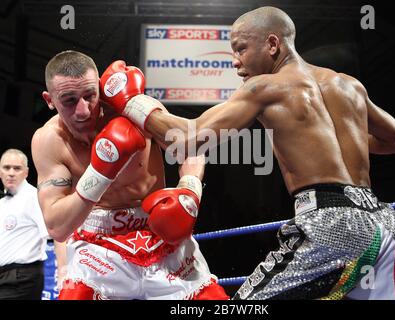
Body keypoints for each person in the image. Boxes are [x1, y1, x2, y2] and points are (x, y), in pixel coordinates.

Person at [99, 6, 395, 300]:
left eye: (241, 48)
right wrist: (343, 138)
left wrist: (130, 101)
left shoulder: (265, 87)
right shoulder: (349, 85)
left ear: (273, 44)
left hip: (330, 224)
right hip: (382, 223)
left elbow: (187, 140)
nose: (235, 60)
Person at [31, 50, 228, 300]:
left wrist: (189, 191)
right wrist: (100, 172)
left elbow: (191, 147)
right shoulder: (49, 140)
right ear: (49, 100)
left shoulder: (134, 109)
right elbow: (57, 226)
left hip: (160, 231)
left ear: (100, 89)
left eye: (90, 96)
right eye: (69, 100)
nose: (82, 111)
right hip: (98, 246)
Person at [0, 149, 49, 300]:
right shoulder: (2, 203)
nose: (11, 173)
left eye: (17, 168)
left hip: (22, 277)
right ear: (0, 172)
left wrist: (64, 272)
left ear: (26, 172)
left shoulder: (34, 197)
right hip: (5, 276)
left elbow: (57, 234)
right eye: (6, 168)